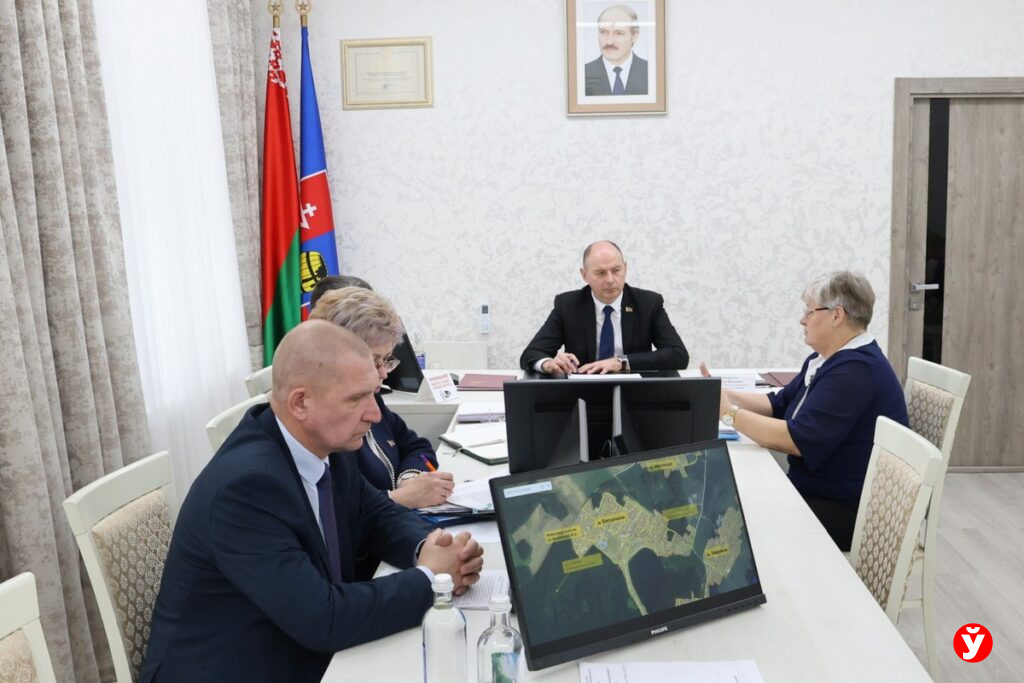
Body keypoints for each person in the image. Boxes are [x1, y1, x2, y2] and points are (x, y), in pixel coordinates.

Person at [139, 321, 483, 683]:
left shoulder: (327, 444)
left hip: (297, 646)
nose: (375, 414)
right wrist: (431, 578)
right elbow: (324, 619)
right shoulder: (246, 488)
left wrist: (430, 546)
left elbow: (377, 515)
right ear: (300, 402)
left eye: (374, 393)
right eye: (356, 399)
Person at [701, 271, 908, 551]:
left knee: (731, 517)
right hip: (822, 491)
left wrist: (729, 414)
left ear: (837, 315)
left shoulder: (855, 372)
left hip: (848, 509)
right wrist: (719, 392)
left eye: (809, 311)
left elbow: (795, 440)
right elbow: (778, 404)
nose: (802, 319)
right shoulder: (828, 359)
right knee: (730, 497)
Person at [310, 286, 454, 509]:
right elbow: (334, 511)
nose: (384, 373)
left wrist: (409, 478)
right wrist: (402, 498)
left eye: (386, 360)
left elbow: (417, 446)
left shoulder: (373, 399)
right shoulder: (324, 421)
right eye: (375, 360)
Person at [520, 240, 688, 374]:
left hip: (634, 393)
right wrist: (548, 363)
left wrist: (621, 363)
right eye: (600, 273)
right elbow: (531, 354)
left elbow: (678, 355)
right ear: (584, 275)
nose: (610, 279)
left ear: (625, 268)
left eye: (616, 270)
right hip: (582, 394)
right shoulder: (568, 305)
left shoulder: (648, 303)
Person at [584, 5, 648, 96]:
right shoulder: (583, 74)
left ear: (634, 36)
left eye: (619, 33)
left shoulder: (650, 72)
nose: (609, 41)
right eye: (603, 32)